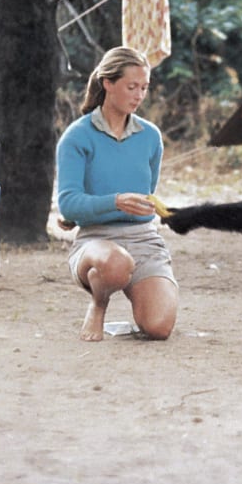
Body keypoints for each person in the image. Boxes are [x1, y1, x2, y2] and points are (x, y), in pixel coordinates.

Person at [55, 47, 178, 342]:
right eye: (131, 87)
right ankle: (99, 304)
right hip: (96, 241)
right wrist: (114, 202)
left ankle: (141, 295)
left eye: (144, 88)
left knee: (159, 328)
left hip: (143, 239)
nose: (139, 95)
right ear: (108, 84)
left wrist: (155, 209)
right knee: (115, 263)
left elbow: (148, 194)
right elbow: (68, 203)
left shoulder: (150, 136)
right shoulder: (77, 136)